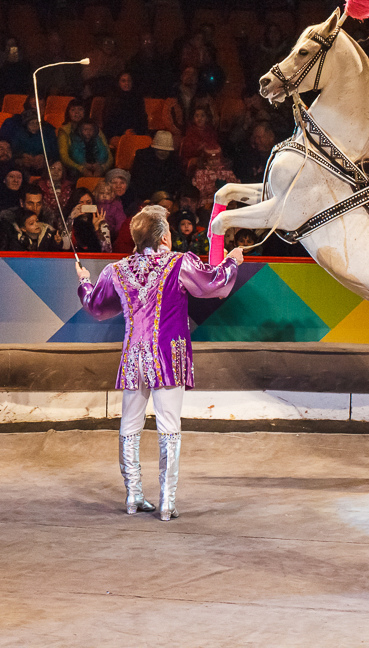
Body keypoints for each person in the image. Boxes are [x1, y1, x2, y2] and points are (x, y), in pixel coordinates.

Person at [76, 205, 243, 520]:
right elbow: (215, 284)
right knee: (169, 427)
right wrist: (232, 261)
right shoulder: (179, 263)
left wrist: (85, 282)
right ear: (165, 235)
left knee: (129, 425)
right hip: (168, 356)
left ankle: (133, 495)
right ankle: (166, 501)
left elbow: (97, 308)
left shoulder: (117, 270)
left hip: (134, 357)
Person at [128, 130, 183, 203]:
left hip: (166, 198)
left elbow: (176, 182)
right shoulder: (142, 157)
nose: (163, 153)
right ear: (154, 148)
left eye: (166, 151)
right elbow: (137, 180)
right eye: (160, 150)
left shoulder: (175, 161)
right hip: (144, 197)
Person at [101, 72, 148, 141]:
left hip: (134, 133)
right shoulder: (113, 99)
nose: (127, 83)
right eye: (123, 81)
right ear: (118, 83)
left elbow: (141, 118)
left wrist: (135, 131)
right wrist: (123, 132)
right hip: (116, 133)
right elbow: (108, 121)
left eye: (129, 81)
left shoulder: (137, 98)